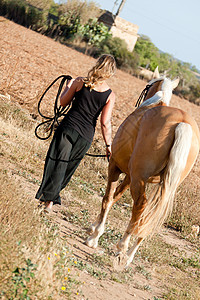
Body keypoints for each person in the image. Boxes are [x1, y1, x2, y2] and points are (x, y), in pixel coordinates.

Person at [35, 54, 116, 213]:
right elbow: (105, 123)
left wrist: (68, 86)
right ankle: (49, 199)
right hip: (85, 137)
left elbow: (63, 102)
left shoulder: (79, 82)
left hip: (68, 128)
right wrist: (108, 145)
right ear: (111, 72)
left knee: (57, 162)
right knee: (67, 169)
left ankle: (48, 200)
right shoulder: (110, 95)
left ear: (97, 64)